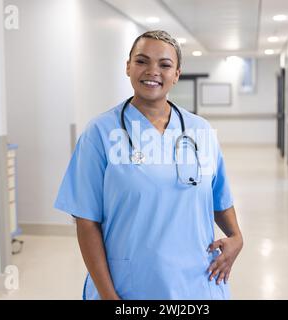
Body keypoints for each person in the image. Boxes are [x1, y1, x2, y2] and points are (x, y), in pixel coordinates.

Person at [54, 30, 243, 300]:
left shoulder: (200, 131)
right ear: (128, 66)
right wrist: (110, 297)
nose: (152, 71)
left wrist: (236, 236)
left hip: (198, 282)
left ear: (177, 73)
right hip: (129, 286)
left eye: (165, 64)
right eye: (142, 61)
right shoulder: (100, 133)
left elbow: (219, 195)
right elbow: (86, 221)